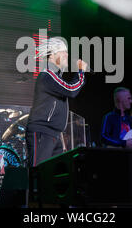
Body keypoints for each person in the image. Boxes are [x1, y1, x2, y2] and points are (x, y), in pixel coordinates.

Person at [26, 37, 87, 167]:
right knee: (38, 173)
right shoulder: (47, 75)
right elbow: (71, 90)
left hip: (53, 133)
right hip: (43, 131)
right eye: (63, 51)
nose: (67, 55)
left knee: (53, 176)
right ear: (52, 55)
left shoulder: (55, 76)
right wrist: (80, 72)